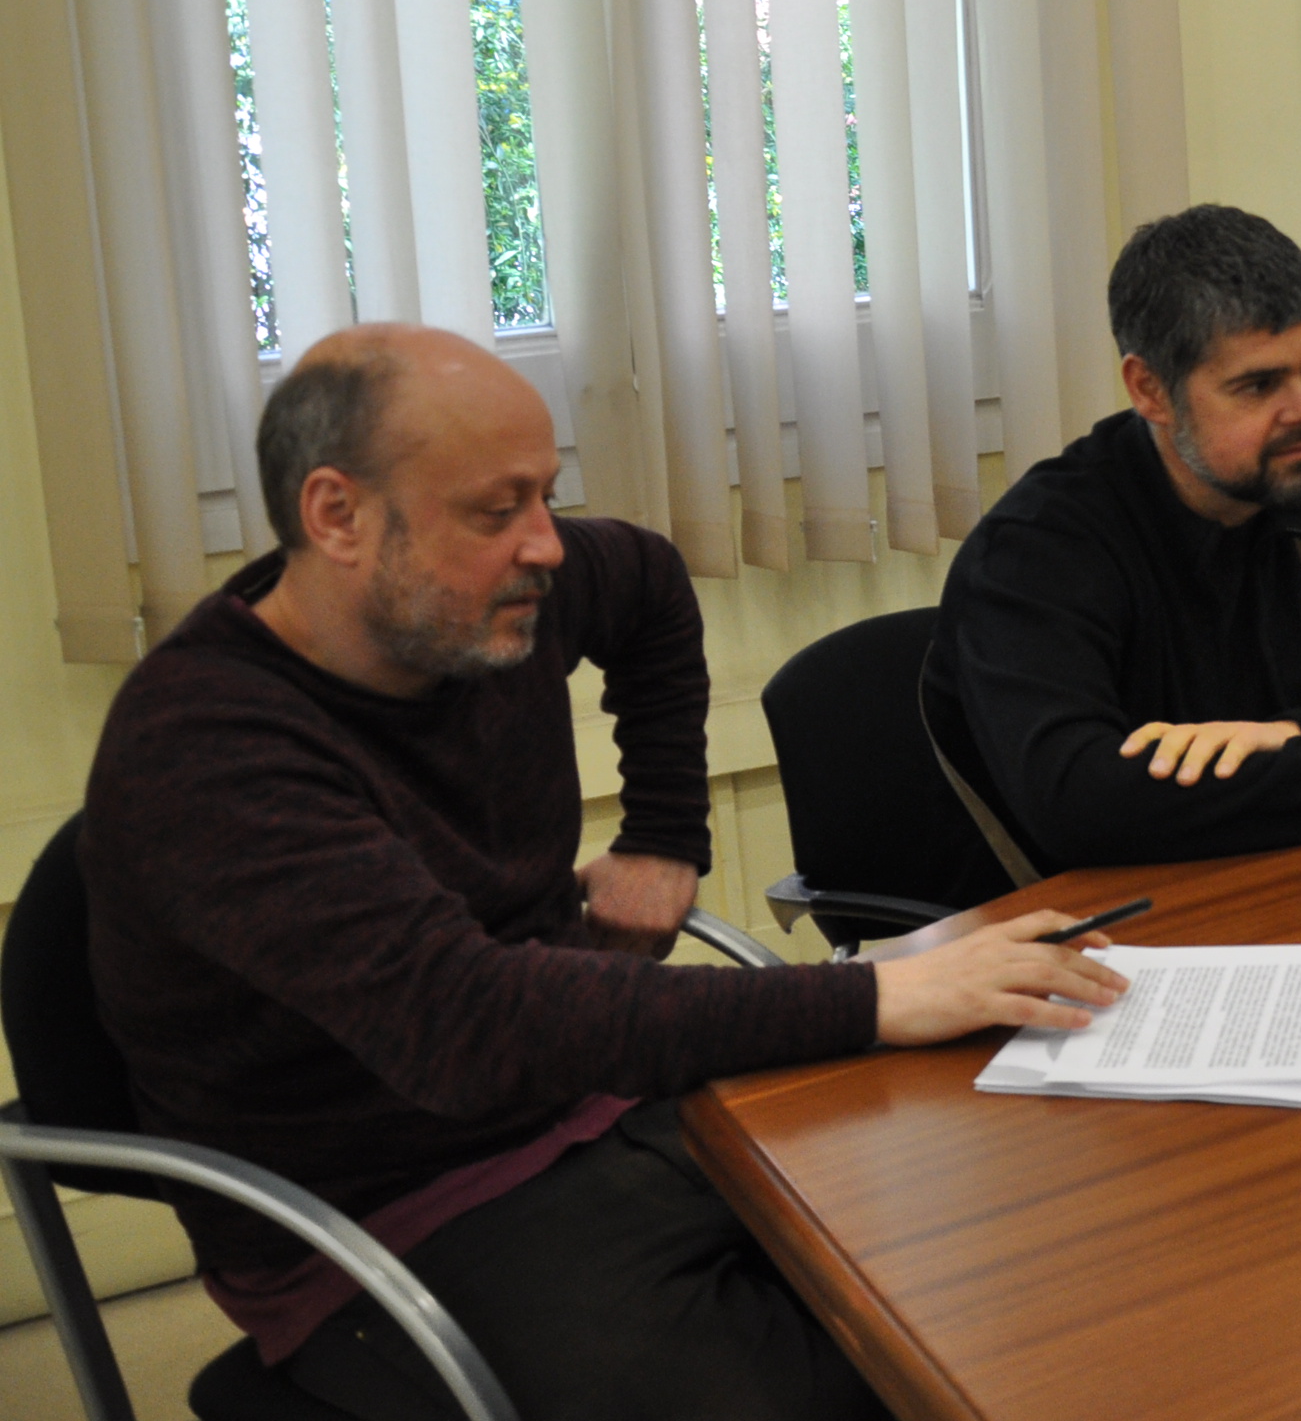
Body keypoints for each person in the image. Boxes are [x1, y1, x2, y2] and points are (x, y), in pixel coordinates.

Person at [79, 325, 1126, 1421]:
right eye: (498, 510)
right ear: (336, 515)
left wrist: (665, 835)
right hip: (391, 1215)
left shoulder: (487, 595)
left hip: (605, 1104)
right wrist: (873, 996)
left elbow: (652, 588)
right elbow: (472, 1028)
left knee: (1008, 1265)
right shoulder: (208, 752)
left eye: (547, 496)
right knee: (871, 1386)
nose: (545, 545)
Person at [922, 205, 1301, 872]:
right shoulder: (1036, 547)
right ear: (1151, 390)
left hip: (1282, 874)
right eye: (1259, 385)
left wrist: (1289, 735)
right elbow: (1084, 803)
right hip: (1086, 914)